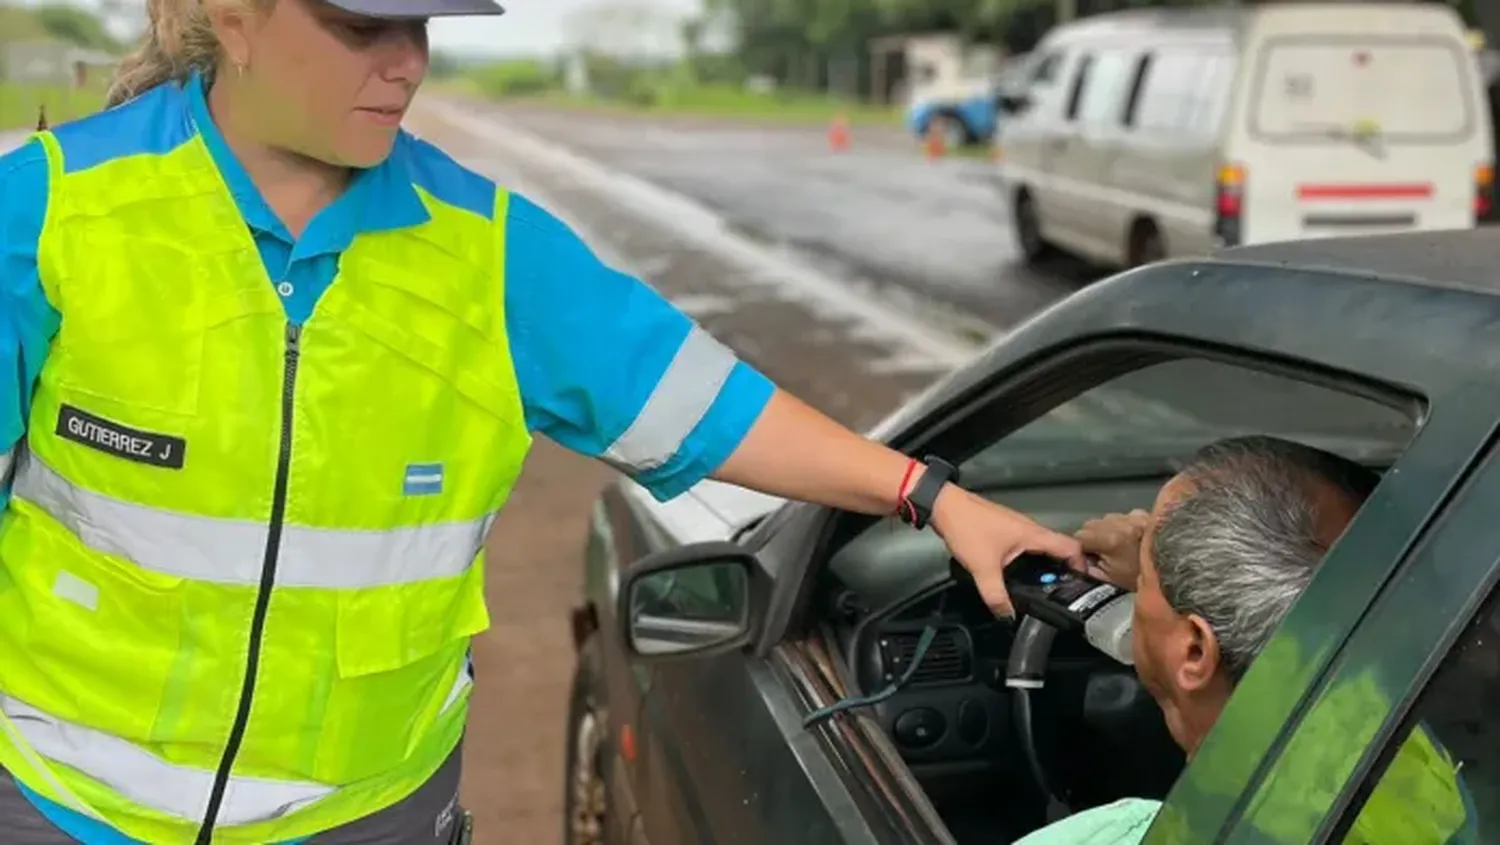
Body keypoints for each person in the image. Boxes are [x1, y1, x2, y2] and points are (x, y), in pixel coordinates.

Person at [0, 0, 1083, 842]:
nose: (408, 60)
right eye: (360, 24)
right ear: (232, 19)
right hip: (58, 804)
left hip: (367, 812)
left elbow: (715, 407)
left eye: (420, 24)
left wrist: (928, 493)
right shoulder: (54, 211)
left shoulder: (491, 254)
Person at [1017, 435, 1473, 844]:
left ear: (1195, 651)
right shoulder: (1423, 771)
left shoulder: (1119, 835)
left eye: (1145, 571)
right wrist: (1165, 570)